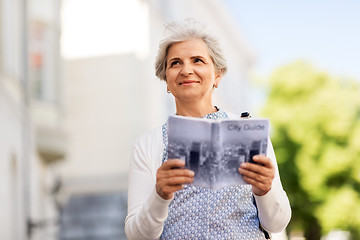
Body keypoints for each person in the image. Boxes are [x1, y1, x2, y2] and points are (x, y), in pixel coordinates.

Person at [125, 19, 291, 240]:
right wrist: (160, 194)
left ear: (218, 74)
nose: (186, 70)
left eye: (198, 60)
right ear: (166, 79)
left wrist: (265, 190)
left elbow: (277, 223)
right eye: (175, 63)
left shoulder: (248, 134)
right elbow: (137, 236)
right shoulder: (147, 145)